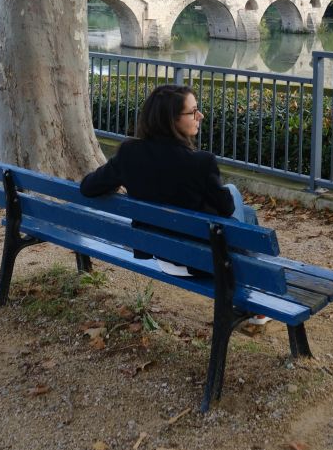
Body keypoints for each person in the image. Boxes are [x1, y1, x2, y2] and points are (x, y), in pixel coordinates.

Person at [80, 84, 269, 324]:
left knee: (249, 214)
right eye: (193, 111)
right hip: (199, 260)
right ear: (171, 120)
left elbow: (88, 187)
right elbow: (227, 210)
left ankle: (254, 294)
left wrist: (126, 180)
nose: (200, 116)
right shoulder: (201, 163)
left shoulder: (129, 154)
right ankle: (254, 290)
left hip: (161, 252)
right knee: (233, 194)